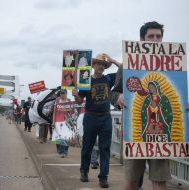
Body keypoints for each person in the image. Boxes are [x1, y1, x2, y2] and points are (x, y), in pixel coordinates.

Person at [110, 21, 171, 190]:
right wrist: (119, 97)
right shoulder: (127, 64)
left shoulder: (173, 65)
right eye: (150, 36)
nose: (155, 39)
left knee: (159, 180)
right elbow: (112, 94)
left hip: (161, 135)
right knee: (132, 181)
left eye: (158, 36)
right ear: (141, 40)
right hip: (135, 133)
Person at [72, 53, 120, 188]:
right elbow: (80, 101)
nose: (101, 67)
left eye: (104, 65)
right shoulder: (86, 81)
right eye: (99, 64)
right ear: (93, 65)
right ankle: (84, 171)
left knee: (105, 148)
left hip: (105, 117)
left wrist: (112, 60)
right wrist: (76, 95)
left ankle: (103, 177)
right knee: (87, 146)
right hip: (91, 116)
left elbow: (124, 70)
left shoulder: (109, 78)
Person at [54, 89, 71, 158]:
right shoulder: (57, 101)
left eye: (64, 93)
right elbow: (54, 111)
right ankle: (60, 150)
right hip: (58, 121)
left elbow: (72, 110)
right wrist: (53, 121)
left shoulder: (69, 101)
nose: (62, 95)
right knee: (59, 136)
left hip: (67, 120)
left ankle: (64, 151)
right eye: (61, 93)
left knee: (66, 136)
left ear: (66, 94)